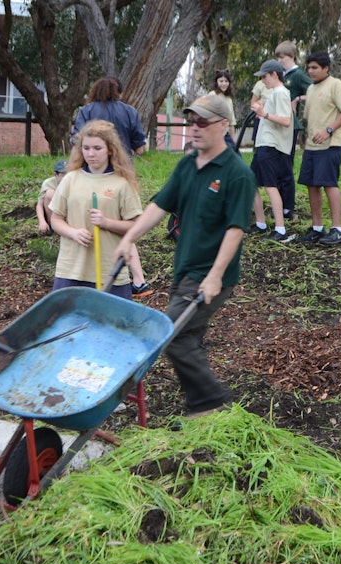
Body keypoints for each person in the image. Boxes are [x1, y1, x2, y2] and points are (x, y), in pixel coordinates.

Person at [112, 94, 253, 417]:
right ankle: (206, 411)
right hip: (185, 270)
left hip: (210, 273)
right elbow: (160, 205)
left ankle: (209, 404)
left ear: (223, 125)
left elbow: (235, 230)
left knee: (171, 335)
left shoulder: (237, 174)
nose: (194, 128)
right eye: (191, 121)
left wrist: (216, 275)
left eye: (202, 122)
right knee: (186, 337)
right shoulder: (188, 165)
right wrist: (129, 237)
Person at [49, 120, 143, 300]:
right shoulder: (71, 179)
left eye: (97, 148)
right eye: (86, 148)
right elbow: (56, 219)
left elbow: (137, 226)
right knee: (68, 324)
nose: (91, 154)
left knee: (112, 327)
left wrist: (106, 223)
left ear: (110, 149)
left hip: (109, 272)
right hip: (71, 270)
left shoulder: (122, 184)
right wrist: (73, 233)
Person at [294, 51, 341, 246]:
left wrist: (329, 130)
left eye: (314, 68)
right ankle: (317, 228)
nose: (310, 71)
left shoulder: (336, 85)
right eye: (309, 68)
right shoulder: (311, 89)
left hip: (331, 144)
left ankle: (338, 229)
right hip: (312, 145)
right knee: (312, 184)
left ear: (326, 68)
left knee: (329, 183)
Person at [246, 59, 295, 242]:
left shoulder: (281, 93)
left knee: (270, 185)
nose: (263, 81)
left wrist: (264, 113)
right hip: (264, 144)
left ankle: (280, 229)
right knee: (252, 183)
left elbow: (285, 120)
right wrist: (261, 110)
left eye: (265, 76)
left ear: (275, 74)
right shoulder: (275, 93)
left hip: (271, 146)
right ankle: (260, 223)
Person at [275, 41, 311, 221]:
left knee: (286, 165)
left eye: (283, 57)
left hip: (291, 125)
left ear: (292, 57)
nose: (280, 60)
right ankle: (278, 203)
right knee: (278, 166)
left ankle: (288, 207)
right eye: (278, 57)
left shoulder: (297, 75)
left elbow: (314, 90)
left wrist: (297, 98)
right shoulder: (279, 75)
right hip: (277, 124)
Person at [71, 77, 147, 157]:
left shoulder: (86, 110)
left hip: (93, 162)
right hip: (122, 162)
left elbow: (77, 141)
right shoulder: (130, 111)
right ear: (120, 93)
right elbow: (139, 148)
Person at [35, 159, 67, 235]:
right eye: (63, 174)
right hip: (54, 212)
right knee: (50, 193)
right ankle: (52, 225)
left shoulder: (72, 182)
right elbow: (39, 205)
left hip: (67, 211)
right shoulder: (48, 183)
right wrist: (42, 221)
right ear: (55, 174)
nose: (66, 177)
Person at [208, 69, 237, 150]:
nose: (224, 84)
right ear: (216, 82)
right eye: (221, 81)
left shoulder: (229, 99)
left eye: (226, 81)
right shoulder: (212, 95)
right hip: (214, 136)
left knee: (236, 158)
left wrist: (234, 142)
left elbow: (231, 122)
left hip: (226, 135)